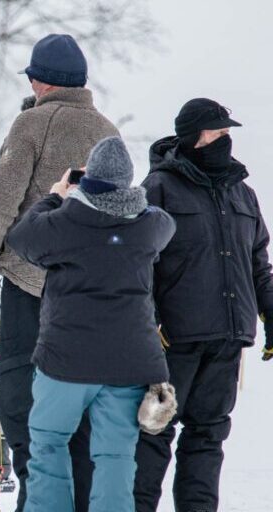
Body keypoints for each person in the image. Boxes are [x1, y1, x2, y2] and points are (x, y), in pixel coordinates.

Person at [0, 33, 119, 511]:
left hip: (31, 282)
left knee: (23, 397)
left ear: (38, 79)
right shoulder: (107, 130)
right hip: (91, 292)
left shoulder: (31, 123)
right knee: (80, 400)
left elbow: (1, 199)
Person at [6, 136, 175, 512]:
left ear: (88, 181)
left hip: (65, 361)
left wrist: (56, 195)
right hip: (128, 364)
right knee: (116, 458)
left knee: (49, 444)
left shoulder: (67, 220)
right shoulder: (150, 228)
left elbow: (21, 238)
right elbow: (163, 222)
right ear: (127, 183)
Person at [133, 99, 273, 512]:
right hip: (172, 343)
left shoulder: (242, 193)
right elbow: (139, 264)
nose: (226, 140)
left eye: (228, 133)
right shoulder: (157, 188)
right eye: (218, 132)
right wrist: (150, 323)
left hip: (227, 339)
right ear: (194, 137)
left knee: (208, 437)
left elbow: (259, 263)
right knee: (153, 434)